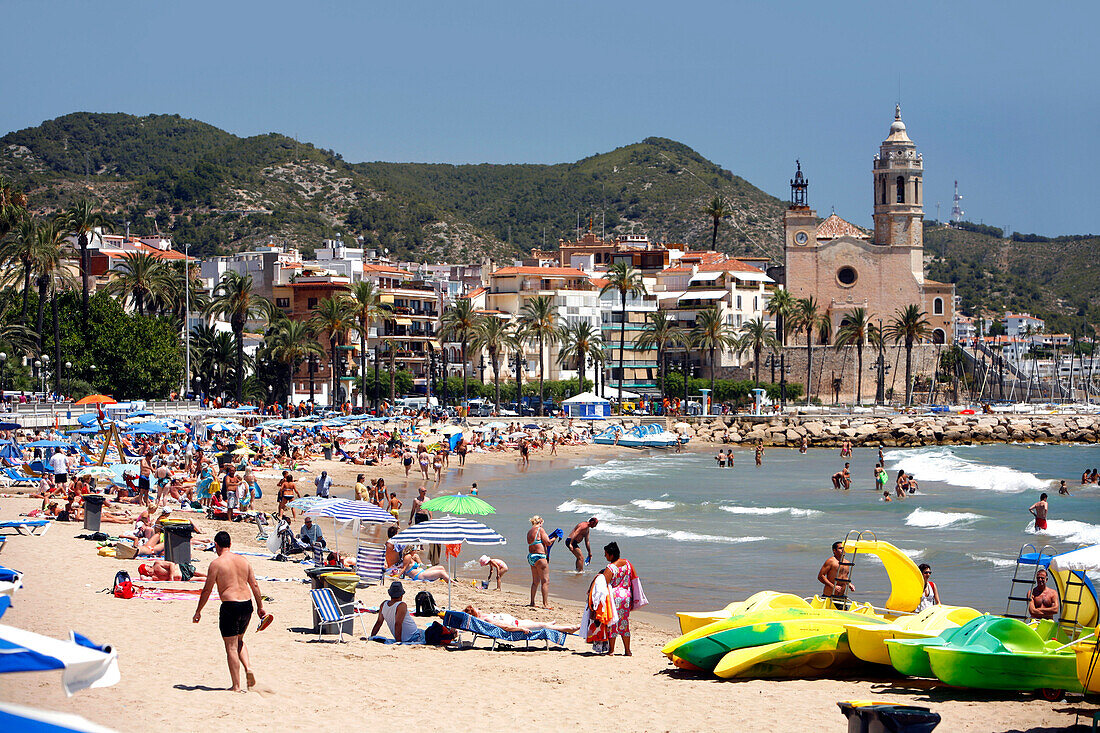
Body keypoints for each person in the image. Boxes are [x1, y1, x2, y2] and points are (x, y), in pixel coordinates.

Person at [192, 531, 265, 692]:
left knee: (231, 647)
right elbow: (254, 585)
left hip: (230, 606)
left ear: (216, 545)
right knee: (240, 640)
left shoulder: (216, 564)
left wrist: (198, 611)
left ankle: (236, 686)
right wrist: (260, 607)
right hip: (247, 605)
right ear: (230, 544)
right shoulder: (243, 561)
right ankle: (248, 668)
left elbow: (207, 590)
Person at [582, 542, 647, 656]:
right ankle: (627, 650)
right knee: (624, 623)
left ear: (611, 555)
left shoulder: (610, 568)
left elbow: (603, 583)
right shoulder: (627, 563)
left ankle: (611, 650)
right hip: (626, 597)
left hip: (614, 597)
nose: (605, 556)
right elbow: (635, 579)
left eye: (606, 554)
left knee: (612, 624)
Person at [463, 605, 579, 633]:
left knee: (537, 623)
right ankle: (569, 628)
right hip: (517, 625)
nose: (479, 609)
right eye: (476, 609)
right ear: (475, 613)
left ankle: (549, 624)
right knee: (543, 627)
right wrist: (520, 629)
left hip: (517, 621)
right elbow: (504, 627)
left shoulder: (484, 616)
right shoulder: (487, 620)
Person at [527, 515, 557, 609]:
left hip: (531, 556)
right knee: (545, 581)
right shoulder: (540, 529)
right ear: (540, 522)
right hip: (540, 556)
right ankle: (545, 604)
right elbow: (548, 542)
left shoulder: (530, 531)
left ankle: (532, 602)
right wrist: (555, 537)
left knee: (535, 581)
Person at [139, 560, 206, 582]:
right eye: (146, 573)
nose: (148, 573)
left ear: (148, 566)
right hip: (182, 577)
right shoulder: (154, 577)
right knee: (201, 579)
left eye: (147, 570)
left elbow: (171, 564)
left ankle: (215, 575)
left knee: (199, 574)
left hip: (181, 568)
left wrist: (171, 577)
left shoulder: (157, 564)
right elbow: (143, 579)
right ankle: (213, 579)